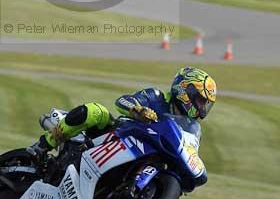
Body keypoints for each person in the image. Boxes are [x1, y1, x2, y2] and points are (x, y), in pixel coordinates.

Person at [27, 66, 217, 189]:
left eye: (206, 105)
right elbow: (123, 100)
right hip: (119, 133)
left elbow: (189, 152)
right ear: (184, 91)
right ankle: (42, 146)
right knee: (95, 111)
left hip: (149, 152)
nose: (202, 109)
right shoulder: (157, 96)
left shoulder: (191, 128)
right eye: (200, 101)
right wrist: (138, 110)